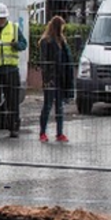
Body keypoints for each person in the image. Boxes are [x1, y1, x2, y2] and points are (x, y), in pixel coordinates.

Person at [0, 3, 27, 137]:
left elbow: (23, 44)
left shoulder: (14, 28)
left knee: (12, 101)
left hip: (10, 69)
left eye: (3, 18)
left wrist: (17, 45)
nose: (1, 21)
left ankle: (13, 128)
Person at [39, 15, 74, 143]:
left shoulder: (62, 41)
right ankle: (42, 133)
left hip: (61, 78)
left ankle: (59, 133)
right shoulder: (46, 41)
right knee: (47, 106)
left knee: (59, 107)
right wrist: (47, 79)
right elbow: (44, 62)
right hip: (51, 79)